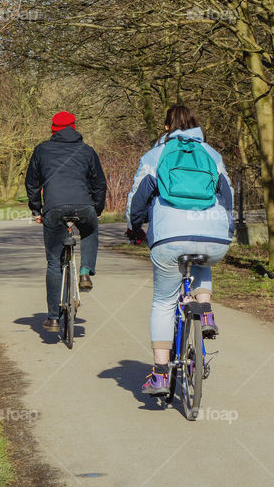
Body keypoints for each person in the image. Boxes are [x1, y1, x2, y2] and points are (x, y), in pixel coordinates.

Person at [125, 104, 234, 394]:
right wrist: (227, 228)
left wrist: (135, 227)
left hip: (169, 238)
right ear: (196, 126)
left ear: (166, 129)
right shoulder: (211, 154)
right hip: (213, 233)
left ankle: (160, 373)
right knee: (204, 256)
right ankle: (206, 311)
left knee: (163, 302)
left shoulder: (155, 155)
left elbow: (138, 197)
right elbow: (227, 195)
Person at [26, 111, 107, 332]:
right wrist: (97, 209)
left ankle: (52, 318)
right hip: (84, 206)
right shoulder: (87, 151)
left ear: (53, 130)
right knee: (89, 230)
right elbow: (99, 184)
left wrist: (36, 209)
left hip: (53, 208)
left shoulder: (42, 150)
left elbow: (32, 183)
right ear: (74, 127)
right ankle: (85, 272)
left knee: (54, 262)